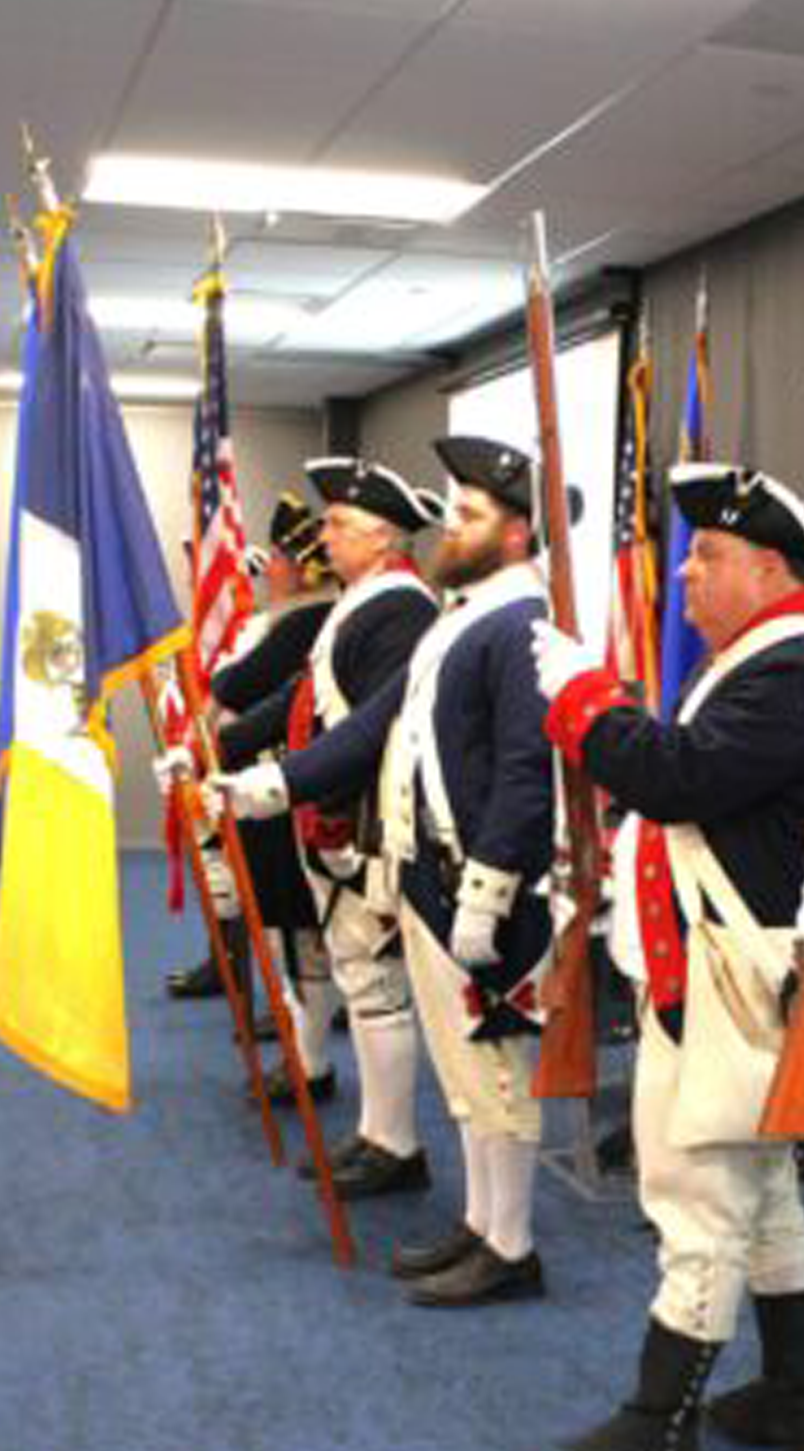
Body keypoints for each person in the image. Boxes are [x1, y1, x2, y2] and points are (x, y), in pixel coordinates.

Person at [530, 461, 804, 1451]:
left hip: (729, 978)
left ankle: (659, 1419)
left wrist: (584, 699)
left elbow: (678, 776)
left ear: (770, 569)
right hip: (716, 967)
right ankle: (797, 1392)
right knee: (765, 1187)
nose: (685, 575)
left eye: (708, 555)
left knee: (696, 1193)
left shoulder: (790, 667)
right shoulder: (759, 659)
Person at [231, 437, 563, 1306]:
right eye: (454, 510)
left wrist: (490, 890)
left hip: (479, 886)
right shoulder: (461, 618)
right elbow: (375, 724)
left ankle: (513, 1244)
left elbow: (526, 772)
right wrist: (278, 783)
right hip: (430, 877)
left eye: (472, 515)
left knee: (496, 1071)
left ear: (518, 533)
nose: (452, 526)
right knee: (463, 1073)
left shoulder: (520, 625)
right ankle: (482, 1223)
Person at [214, 458, 439, 1201]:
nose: (325, 536)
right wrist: (223, 744)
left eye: (340, 523)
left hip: (364, 821)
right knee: (358, 976)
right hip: (333, 813)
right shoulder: (362, 601)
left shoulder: (401, 610)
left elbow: (374, 726)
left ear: (382, 539)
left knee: (376, 984)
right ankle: (376, 1132)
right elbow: (303, 697)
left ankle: (395, 1142)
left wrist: (296, 788)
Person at [186, 494, 346, 1109]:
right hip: (271, 786)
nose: (268, 567)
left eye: (280, 558)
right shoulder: (295, 616)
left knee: (303, 937)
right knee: (292, 938)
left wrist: (216, 739)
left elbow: (241, 683)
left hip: (291, 794)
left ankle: (311, 1064)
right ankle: (303, 1054)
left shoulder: (310, 620)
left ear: (304, 569)